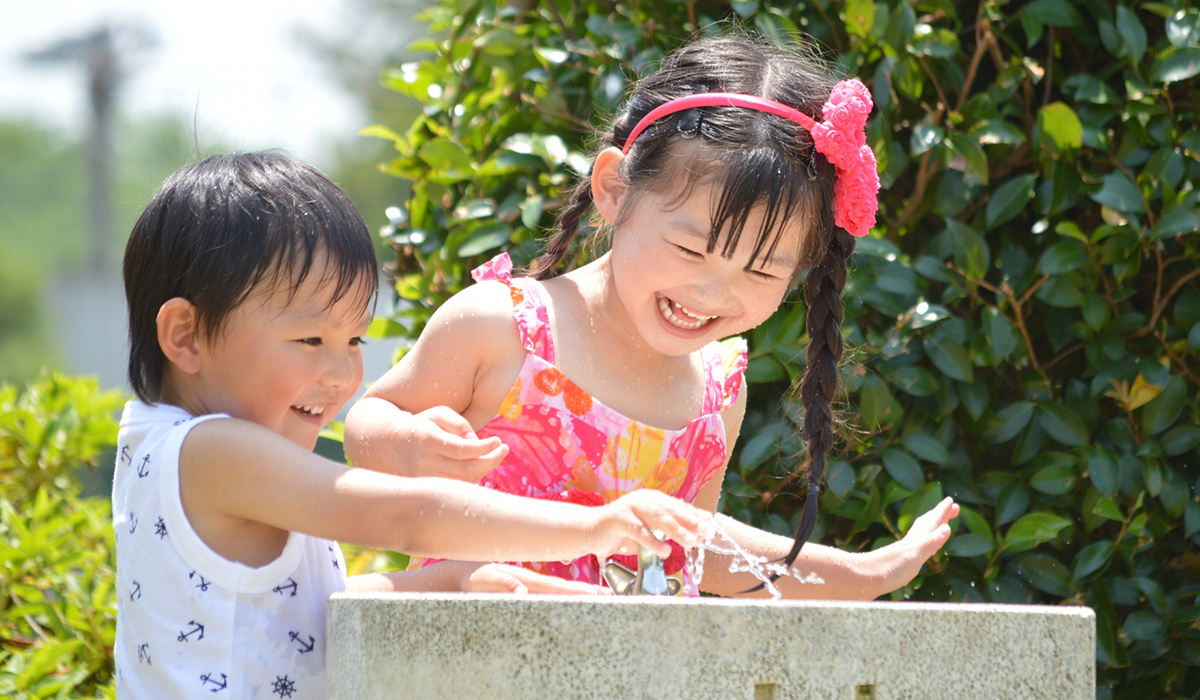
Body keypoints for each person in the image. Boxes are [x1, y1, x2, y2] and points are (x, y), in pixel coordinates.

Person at [344, 34, 959, 600]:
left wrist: (862, 572)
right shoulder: (504, 328)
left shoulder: (719, 388)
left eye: (762, 270)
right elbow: (367, 425)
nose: (714, 290)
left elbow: (688, 547)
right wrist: (404, 443)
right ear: (614, 189)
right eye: (690, 248)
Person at [112, 152, 711, 699]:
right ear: (185, 336)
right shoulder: (213, 451)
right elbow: (401, 516)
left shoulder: (167, 445)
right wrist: (595, 528)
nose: (342, 374)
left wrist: (448, 583)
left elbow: (286, 618)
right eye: (310, 339)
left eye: (353, 341)